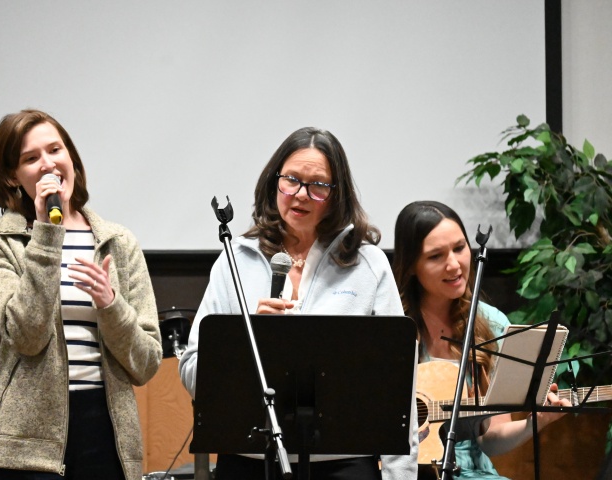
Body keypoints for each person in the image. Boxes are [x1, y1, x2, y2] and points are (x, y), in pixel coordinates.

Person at [179, 127, 418, 480]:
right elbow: (191, 371)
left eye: (318, 185)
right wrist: (247, 347)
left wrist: (401, 475)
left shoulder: (368, 264)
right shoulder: (235, 260)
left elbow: (400, 386)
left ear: (337, 195)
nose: (301, 195)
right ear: (274, 182)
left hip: (344, 464)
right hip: (249, 462)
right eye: (291, 180)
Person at [0, 109, 163, 480]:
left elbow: (147, 362)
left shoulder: (118, 243)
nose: (47, 165)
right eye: (30, 158)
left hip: (108, 435)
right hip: (26, 444)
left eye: (55, 150)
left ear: (71, 157)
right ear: (12, 175)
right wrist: (45, 234)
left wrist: (111, 305)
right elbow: (26, 335)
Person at [392, 200, 570, 480]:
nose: (454, 265)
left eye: (460, 248)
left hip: (472, 473)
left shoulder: (491, 323)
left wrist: (536, 422)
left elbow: (492, 437)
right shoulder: (392, 325)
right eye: (436, 256)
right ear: (411, 265)